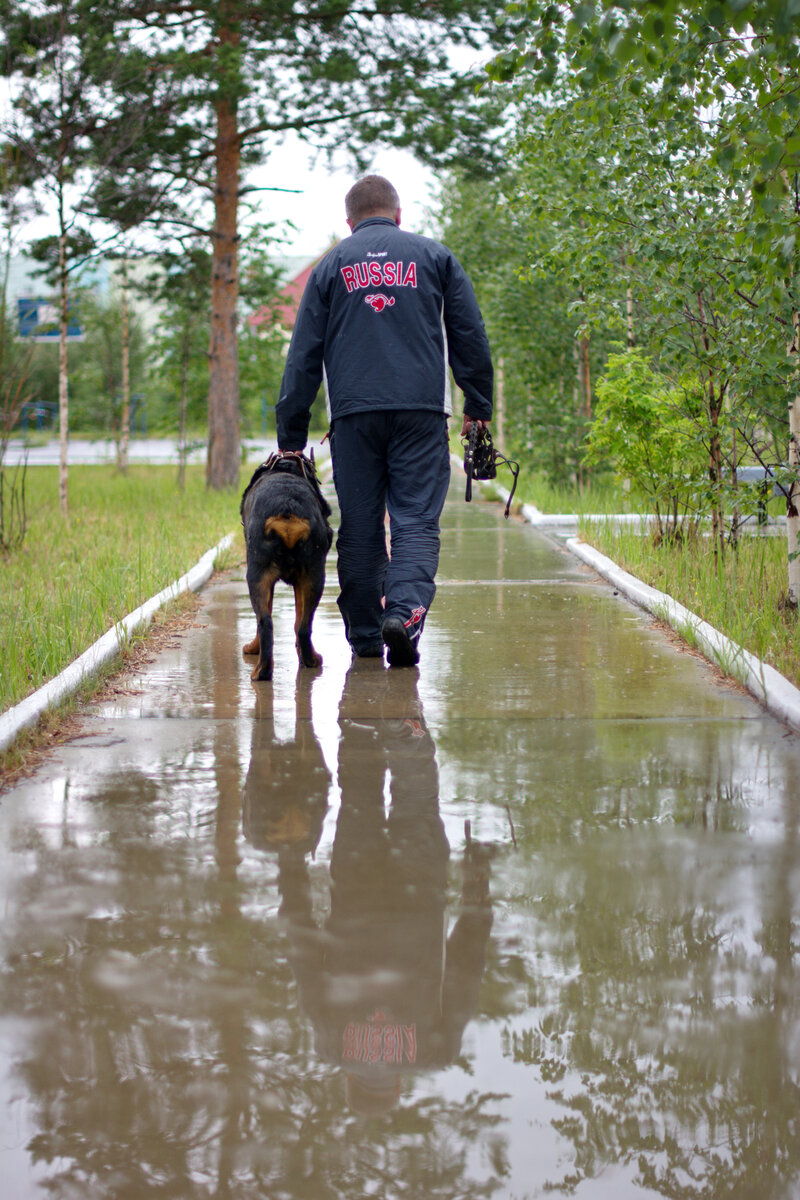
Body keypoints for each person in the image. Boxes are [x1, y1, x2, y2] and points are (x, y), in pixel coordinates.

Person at [276, 174, 493, 667]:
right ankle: (405, 612)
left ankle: (367, 636)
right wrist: (478, 407)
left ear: (349, 222)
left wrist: (291, 435)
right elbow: (469, 336)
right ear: (399, 215)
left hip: (353, 416)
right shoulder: (434, 257)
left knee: (361, 526)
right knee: (415, 518)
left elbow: (303, 353)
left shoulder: (330, 265)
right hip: (421, 412)